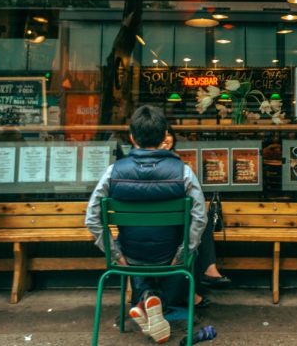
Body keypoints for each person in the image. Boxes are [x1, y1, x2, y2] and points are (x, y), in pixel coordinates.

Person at [85, 105, 206, 344]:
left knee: (139, 255)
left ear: (131, 137)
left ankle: (147, 299)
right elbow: (199, 217)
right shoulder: (184, 172)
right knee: (188, 245)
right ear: (164, 137)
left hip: (130, 257)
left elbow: (91, 218)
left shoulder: (113, 172)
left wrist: (116, 253)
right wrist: (183, 253)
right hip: (170, 256)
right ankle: (154, 300)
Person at [162, 126, 231, 293]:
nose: (166, 139)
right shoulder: (177, 166)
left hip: (146, 235)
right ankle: (205, 275)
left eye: (169, 134)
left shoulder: (176, 162)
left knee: (199, 220)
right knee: (198, 220)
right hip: (168, 227)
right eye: (162, 136)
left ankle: (204, 277)